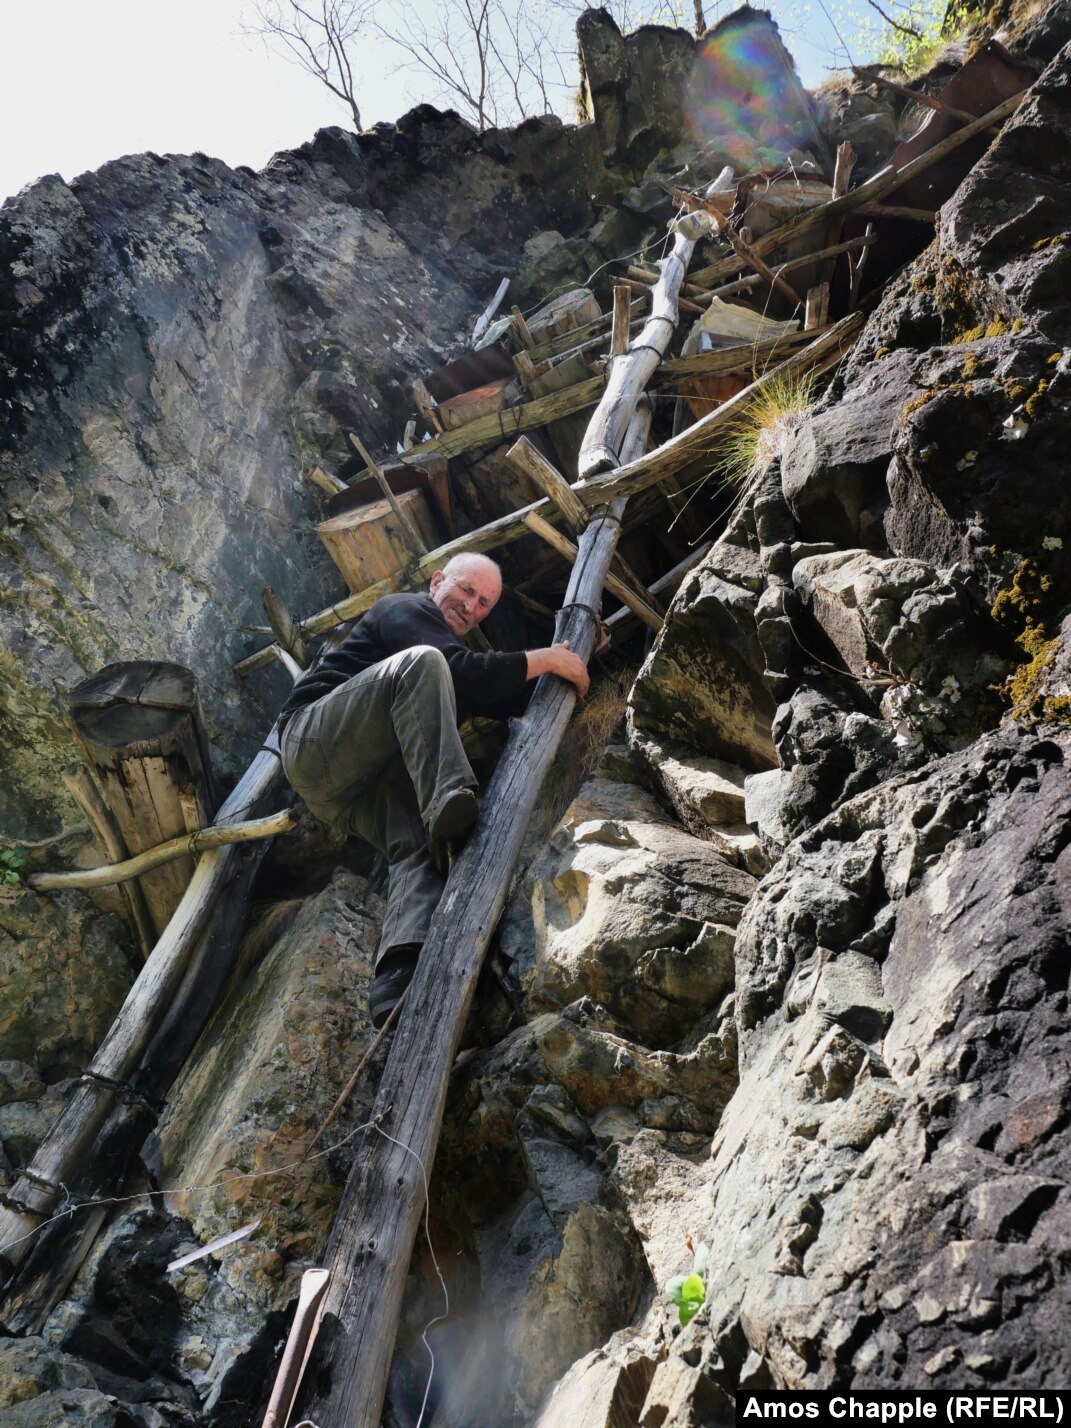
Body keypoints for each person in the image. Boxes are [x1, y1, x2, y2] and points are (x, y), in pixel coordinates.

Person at [277, 553, 591, 1026]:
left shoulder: (451, 674)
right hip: (313, 743)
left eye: (484, 604)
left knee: (420, 845)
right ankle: (447, 796)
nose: (471, 607)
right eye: (466, 590)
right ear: (437, 580)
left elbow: (511, 691)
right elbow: (459, 668)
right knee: (424, 663)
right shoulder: (403, 609)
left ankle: (396, 976)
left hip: (350, 794)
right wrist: (547, 656)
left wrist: (582, 656)